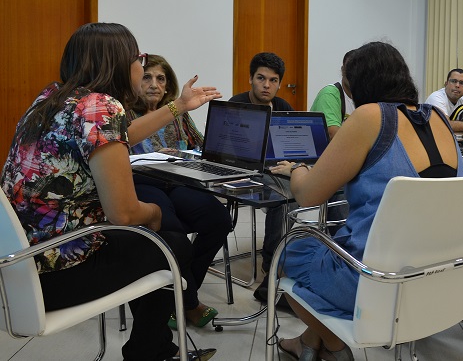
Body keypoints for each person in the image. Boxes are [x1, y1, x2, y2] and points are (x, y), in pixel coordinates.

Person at [1, 23, 219, 361]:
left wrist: (178, 106)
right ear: (119, 63)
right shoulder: (103, 107)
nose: (141, 66)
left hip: (17, 268)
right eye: (138, 58)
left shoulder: (52, 97)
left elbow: (118, 136)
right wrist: (156, 214)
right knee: (171, 242)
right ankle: (148, 352)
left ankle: (156, 347)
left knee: (151, 243)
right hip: (52, 275)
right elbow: (124, 215)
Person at [270, 41, 463, 361]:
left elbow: (307, 195)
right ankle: (308, 342)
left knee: (291, 251)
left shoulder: (369, 116)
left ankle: (334, 346)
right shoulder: (440, 119)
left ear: (356, 83)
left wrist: (299, 168)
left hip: (375, 282)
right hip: (442, 278)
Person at [128, 54, 232, 329]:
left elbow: (200, 148)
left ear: (168, 85)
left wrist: (186, 153)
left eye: (160, 78)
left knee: (219, 220)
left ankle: (180, 297)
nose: (153, 84)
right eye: (147, 77)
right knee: (172, 231)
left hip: (178, 179)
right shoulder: (123, 112)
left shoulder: (178, 115)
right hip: (142, 182)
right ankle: (190, 304)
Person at [230, 52, 293, 303]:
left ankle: (290, 259)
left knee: (299, 192)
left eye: (273, 80)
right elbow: (232, 151)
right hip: (245, 173)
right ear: (251, 79)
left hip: (277, 170)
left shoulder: (283, 107)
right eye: (261, 78)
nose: (267, 85)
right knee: (284, 198)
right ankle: (272, 264)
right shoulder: (237, 104)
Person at [310, 49, 356, 140]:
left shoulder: (367, 95)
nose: (353, 74)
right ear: (343, 70)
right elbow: (333, 135)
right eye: (350, 69)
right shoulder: (329, 94)